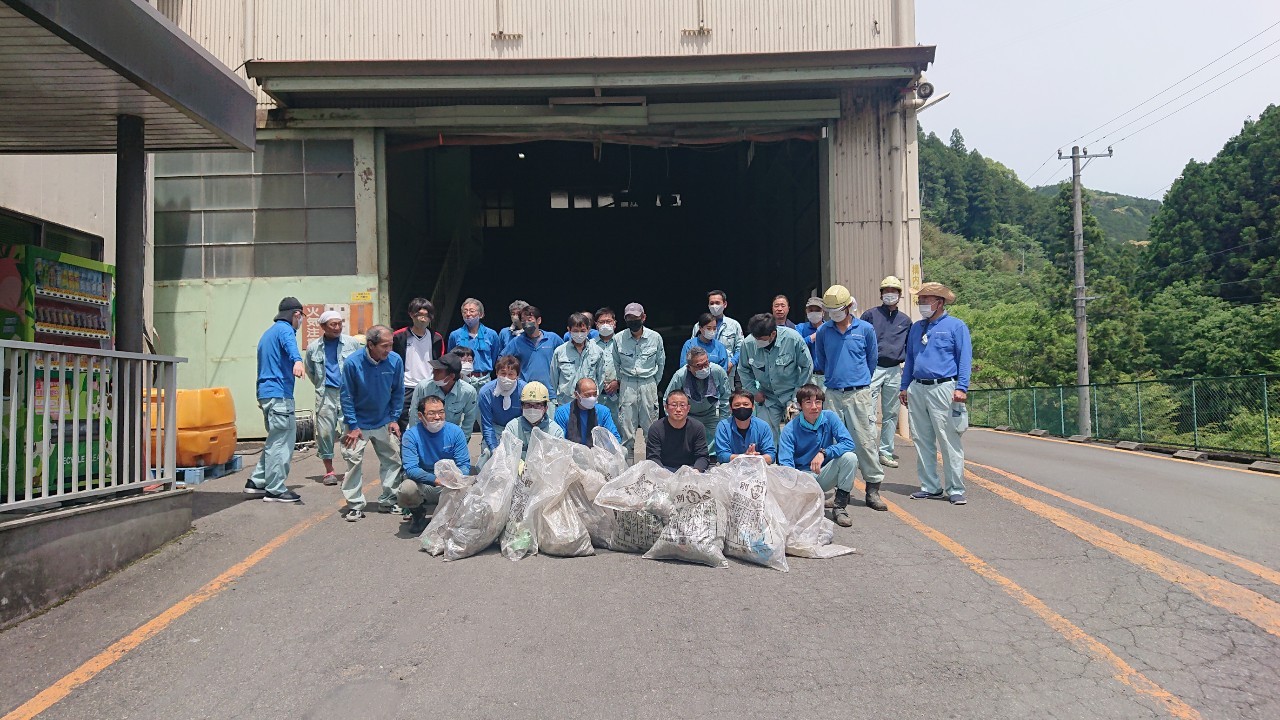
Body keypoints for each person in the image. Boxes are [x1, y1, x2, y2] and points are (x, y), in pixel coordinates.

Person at [814, 285, 887, 511]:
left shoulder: (865, 329)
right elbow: (822, 360)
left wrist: (859, 379)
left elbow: (872, 359)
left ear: (848, 307)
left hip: (859, 393)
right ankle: (840, 491)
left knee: (865, 441)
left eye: (838, 310)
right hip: (833, 394)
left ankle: (872, 489)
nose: (834, 315)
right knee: (836, 444)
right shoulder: (824, 331)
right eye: (830, 311)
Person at [901, 282, 973, 506]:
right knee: (922, 439)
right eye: (919, 299)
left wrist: (962, 387)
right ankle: (930, 486)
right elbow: (910, 358)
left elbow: (964, 358)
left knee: (948, 439)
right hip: (917, 387)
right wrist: (904, 386)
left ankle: (955, 489)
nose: (921, 303)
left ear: (939, 302)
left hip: (944, 387)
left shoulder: (956, 326)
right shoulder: (916, 328)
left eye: (925, 299)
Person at [339, 325, 405, 520]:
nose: (389, 350)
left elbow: (398, 391)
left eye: (391, 345)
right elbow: (347, 396)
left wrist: (394, 418)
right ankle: (355, 504)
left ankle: (389, 500)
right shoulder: (352, 363)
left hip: (384, 419)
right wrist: (353, 425)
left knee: (392, 460)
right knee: (353, 462)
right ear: (370, 344)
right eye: (384, 346)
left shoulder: (395, 361)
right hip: (357, 422)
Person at [245, 297, 306, 503]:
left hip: (267, 393)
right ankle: (275, 489)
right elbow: (291, 346)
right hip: (279, 394)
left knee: (274, 440)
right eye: (301, 317)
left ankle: (258, 481)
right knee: (282, 443)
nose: (300, 321)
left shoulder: (268, 334)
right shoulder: (285, 330)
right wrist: (297, 361)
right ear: (296, 314)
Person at [778, 384, 859, 527]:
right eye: (808, 402)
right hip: (802, 478)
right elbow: (786, 465)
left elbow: (848, 443)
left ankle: (839, 506)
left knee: (850, 458)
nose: (814, 407)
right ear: (800, 405)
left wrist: (824, 452)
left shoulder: (830, 417)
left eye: (818, 402)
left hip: (823, 474)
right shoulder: (790, 429)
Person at [398, 394, 471, 535]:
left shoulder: (456, 432)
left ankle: (452, 517)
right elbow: (411, 468)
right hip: (424, 484)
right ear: (421, 416)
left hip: (450, 484)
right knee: (407, 489)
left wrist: (455, 478)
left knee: (472, 488)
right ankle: (418, 514)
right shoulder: (411, 435)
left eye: (441, 412)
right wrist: (436, 480)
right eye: (431, 413)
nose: (437, 417)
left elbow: (464, 465)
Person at [303, 310, 362, 485]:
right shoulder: (314, 348)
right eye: (333, 324)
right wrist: (322, 385)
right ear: (323, 326)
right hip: (325, 395)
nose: (337, 327)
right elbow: (311, 371)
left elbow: (360, 366)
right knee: (325, 433)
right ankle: (329, 471)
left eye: (339, 324)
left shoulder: (352, 343)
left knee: (349, 430)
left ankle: (351, 470)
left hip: (348, 393)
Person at [737, 313, 813, 444]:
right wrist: (754, 392)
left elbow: (807, 366)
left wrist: (798, 396)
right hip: (767, 397)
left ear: (773, 334)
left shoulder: (793, 339)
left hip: (792, 394)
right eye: (755, 337)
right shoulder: (748, 343)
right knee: (766, 435)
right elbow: (743, 369)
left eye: (761, 338)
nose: (757, 341)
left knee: (796, 436)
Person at [861, 276, 913, 468]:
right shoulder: (870, 315)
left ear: (899, 295)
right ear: (881, 294)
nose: (890, 294)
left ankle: (886, 451)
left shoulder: (905, 321)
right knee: (868, 412)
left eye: (894, 291)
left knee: (891, 413)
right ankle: (868, 451)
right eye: (886, 290)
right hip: (873, 368)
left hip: (894, 369)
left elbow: (910, 348)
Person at [612, 302, 666, 458]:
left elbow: (661, 363)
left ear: (643, 317)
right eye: (629, 318)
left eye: (635, 317)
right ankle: (628, 463)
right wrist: (623, 381)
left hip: (648, 382)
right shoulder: (618, 338)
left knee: (651, 424)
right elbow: (616, 363)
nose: (632, 321)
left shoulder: (655, 337)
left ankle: (653, 461)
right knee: (627, 425)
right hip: (627, 383)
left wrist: (653, 382)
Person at [392, 297, 446, 431]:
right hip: (406, 387)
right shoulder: (399, 336)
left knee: (431, 422)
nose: (423, 319)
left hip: (429, 386)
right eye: (419, 315)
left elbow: (441, 362)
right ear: (411, 314)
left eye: (427, 315)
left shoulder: (436, 338)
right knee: (405, 423)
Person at [664, 346, 731, 441]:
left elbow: (726, 397)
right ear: (689, 367)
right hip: (688, 415)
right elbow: (668, 400)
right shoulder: (680, 375)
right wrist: (675, 421)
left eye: (706, 364)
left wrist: (723, 422)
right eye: (699, 366)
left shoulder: (718, 371)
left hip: (711, 413)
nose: (703, 369)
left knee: (719, 439)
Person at [409, 350, 478, 439]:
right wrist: (417, 439)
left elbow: (469, 420)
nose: (433, 372)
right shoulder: (423, 387)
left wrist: (461, 441)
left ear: (451, 376)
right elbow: (414, 415)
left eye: (438, 371)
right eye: (434, 369)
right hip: (425, 435)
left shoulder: (468, 392)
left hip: (451, 438)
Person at [549, 312, 607, 407]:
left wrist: (592, 396)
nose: (579, 334)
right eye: (575, 331)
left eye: (582, 330)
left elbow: (600, 378)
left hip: (589, 403)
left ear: (588, 329)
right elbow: (554, 379)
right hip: (566, 403)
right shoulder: (559, 352)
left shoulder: (597, 351)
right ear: (569, 330)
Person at [499, 304, 562, 391]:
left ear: (538, 320)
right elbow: (502, 360)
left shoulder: (553, 338)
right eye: (523, 320)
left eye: (529, 320)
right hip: (525, 391)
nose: (526, 323)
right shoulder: (517, 342)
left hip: (550, 392)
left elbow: (565, 356)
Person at [477, 355, 525, 467]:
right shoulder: (485, 392)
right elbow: (487, 425)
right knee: (487, 456)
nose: (506, 378)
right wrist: (494, 449)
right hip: (495, 428)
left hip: (518, 429)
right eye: (503, 374)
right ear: (497, 373)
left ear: (517, 376)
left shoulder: (524, 390)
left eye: (511, 374)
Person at [645, 390, 709, 472]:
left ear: (688, 408)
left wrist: (696, 470)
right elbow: (653, 458)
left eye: (682, 405)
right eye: (674, 405)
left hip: (690, 470)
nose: (678, 409)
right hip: (663, 471)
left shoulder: (697, 427)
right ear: (666, 407)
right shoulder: (656, 428)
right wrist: (663, 473)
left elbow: (702, 456)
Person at [502, 381, 565, 459]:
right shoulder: (512, 428)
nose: (532, 409)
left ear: (546, 408)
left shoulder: (555, 432)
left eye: (537, 405)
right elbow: (506, 456)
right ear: (522, 407)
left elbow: (558, 460)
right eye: (528, 405)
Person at [447, 297, 499, 391]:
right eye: (465, 311)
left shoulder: (492, 334)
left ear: (481, 314)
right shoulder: (455, 335)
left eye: (471, 311)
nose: (468, 314)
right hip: (462, 379)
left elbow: (494, 356)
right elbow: (451, 358)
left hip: (484, 380)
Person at [554, 377, 622, 448]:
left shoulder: (603, 412)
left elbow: (615, 439)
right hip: (571, 452)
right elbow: (559, 441)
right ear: (576, 395)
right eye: (587, 395)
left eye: (594, 394)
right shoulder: (562, 413)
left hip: (598, 452)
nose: (592, 398)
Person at [714, 389, 776, 464]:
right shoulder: (723, 426)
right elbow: (722, 456)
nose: (741, 407)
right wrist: (744, 457)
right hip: (731, 468)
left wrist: (754, 458)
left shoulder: (763, 426)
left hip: (758, 467)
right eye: (737, 405)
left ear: (753, 407)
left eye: (746, 404)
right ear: (731, 408)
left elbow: (771, 456)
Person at [692, 290, 743, 378]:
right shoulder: (698, 326)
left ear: (725, 304)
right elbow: (692, 348)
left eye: (717, 303)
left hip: (728, 371)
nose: (714, 306)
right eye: (711, 303)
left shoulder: (734, 325)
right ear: (708, 306)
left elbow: (741, 348)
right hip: (703, 370)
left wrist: (731, 363)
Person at [592, 307, 622, 418]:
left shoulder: (623, 343)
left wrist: (618, 382)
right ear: (596, 325)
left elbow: (630, 366)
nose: (605, 324)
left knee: (619, 426)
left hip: (619, 395)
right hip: (596, 396)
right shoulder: (590, 345)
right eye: (602, 322)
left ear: (614, 323)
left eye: (608, 321)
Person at [794, 296, 826, 379]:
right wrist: (811, 338)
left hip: (826, 376)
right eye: (811, 310)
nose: (814, 313)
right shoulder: (800, 328)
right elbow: (795, 347)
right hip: (807, 376)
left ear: (823, 312)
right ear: (806, 311)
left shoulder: (830, 328)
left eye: (817, 310)